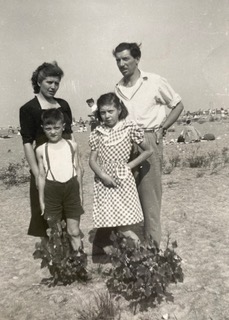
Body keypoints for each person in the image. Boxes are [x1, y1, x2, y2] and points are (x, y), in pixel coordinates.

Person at [113, 42, 184, 247]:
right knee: (123, 195)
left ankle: (152, 251)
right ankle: (128, 249)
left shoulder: (154, 81)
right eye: (118, 60)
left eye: (126, 59)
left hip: (148, 139)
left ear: (137, 59)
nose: (121, 63)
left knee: (150, 198)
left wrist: (162, 128)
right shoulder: (117, 88)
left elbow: (177, 105)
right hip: (124, 142)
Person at [89, 92, 153, 246]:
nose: (107, 116)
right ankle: (125, 258)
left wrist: (129, 166)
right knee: (113, 223)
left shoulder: (129, 128)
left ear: (119, 110)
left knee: (125, 226)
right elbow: (92, 160)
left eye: (110, 111)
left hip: (123, 180)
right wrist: (103, 176)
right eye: (103, 112)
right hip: (104, 182)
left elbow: (148, 150)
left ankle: (140, 254)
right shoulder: (98, 132)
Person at [19, 61, 75, 238]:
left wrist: (75, 165)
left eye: (56, 83)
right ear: (38, 82)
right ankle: (55, 263)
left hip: (66, 167)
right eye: (49, 82)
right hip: (44, 168)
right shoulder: (28, 109)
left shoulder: (63, 105)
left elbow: (70, 136)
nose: (53, 87)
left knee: (69, 216)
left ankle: (72, 262)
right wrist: (36, 174)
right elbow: (27, 142)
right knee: (46, 219)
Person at [36, 109, 84, 251]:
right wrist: (41, 201)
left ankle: (79, 265)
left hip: (71, 190)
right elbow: (41, 176)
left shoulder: (72, 145)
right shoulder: (41, 150)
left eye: (56, 128)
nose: (53, 132)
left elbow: (79, 170)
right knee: (55, 233)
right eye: (48, 128)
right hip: (52, 191)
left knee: (74, 232)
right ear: (43, 128)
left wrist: (81, 194)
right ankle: (61, 268)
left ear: (63, 126)